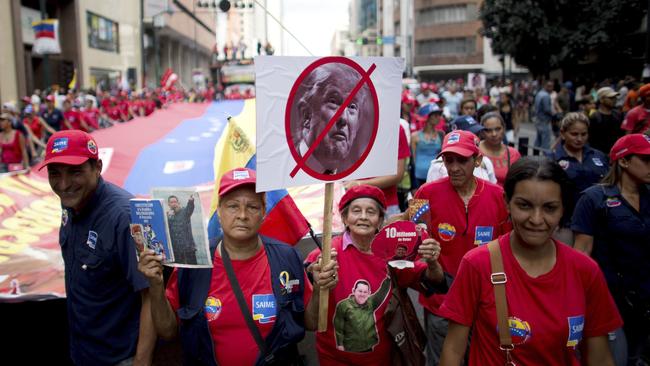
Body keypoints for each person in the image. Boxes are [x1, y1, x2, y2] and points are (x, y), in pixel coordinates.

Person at [139, 168, 338, 365]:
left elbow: (311, 323)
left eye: (252, 207)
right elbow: (167, 331)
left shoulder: (286, 257)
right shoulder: (194, 262)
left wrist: (321, 287)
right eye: (233, 206)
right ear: (219, 212)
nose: (242, 215)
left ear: (263, 212)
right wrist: (156, 285)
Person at [438, 157, 623, 366]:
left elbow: (600, 357)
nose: (536, 219)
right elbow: (453, 350)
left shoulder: (586, 271)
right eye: (524, 206)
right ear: (507, 203)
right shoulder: (478, 264)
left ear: (563, 209)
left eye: (550, 208)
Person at [39, 130, 156, 365]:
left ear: (97, 167)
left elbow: (151, 296)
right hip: (83, 350)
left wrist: (142, 362)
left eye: (75, 172)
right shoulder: (71, 204)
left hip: (121, 356)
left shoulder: (124, 217)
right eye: (55, 174)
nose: (63, 184)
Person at [305, 184, 447, 365]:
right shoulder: (324, 255)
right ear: (344, 217)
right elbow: (310, 320)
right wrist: (319, 285)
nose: (363, 217)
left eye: (371, 212)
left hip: (382, 359)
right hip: (334, 359)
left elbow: (433, 281)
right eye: (356, 211)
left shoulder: (393, 251)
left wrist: (433, 263)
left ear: (380, 220)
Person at [415, 130, 510, 363]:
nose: (455, 167)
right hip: (441, 304)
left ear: (477, 161)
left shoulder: (499, 196)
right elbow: (414, 245)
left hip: (486, 304)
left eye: (462, 160)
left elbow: (509, 251)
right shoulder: (424, 193)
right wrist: (428, 265)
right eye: (449, 160)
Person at [572, 134, 650, 366]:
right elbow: (581, 255)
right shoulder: (593, 199)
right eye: (646, 160)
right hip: (609, 300)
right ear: (624, 161)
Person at [292, 63, 369, 175]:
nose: (344, 118)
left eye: (352, 106)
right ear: (306, 114)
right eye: (333, 102)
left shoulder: (350, 177)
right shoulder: (282, 170)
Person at [427, 116, 497, 184]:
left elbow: (492, 190)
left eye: (478, 134)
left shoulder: (485, 162)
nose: (476, 138)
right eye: (471, 135)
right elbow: (430, 193)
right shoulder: (438, 166)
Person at [478, 112, 521, 186]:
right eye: (488, 130)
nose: (494, 134)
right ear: (482, 132)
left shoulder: (513, 154)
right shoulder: (475, 151)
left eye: (498, 129)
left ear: (504, 129)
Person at [411, 104, 445, 188]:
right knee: (419, 201)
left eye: (439, 115)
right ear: (427, 117)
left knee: (436, 201)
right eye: (435, 115)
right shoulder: (415, 136)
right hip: (418, 177)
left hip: (437, 175)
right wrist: (413, 185)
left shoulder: (441, 134)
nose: (439, 117)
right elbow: (412, 160)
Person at [589, 87, 624, 154]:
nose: (614, 100)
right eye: (611, 98)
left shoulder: (618, 115)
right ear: (602, 100)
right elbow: (592, 140)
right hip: (599, 153)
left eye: (615, 98)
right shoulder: (594, 117)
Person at [167, 195, 197, 264]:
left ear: (178, 203)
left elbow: (190, 208)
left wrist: (191, 201)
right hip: (176, 251)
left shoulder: (185, 212)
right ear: (169, 204)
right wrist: (168, 217)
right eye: (171, 202)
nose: (174, 204)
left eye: (175, 202)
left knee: (193, 268)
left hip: (188, 249)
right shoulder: (168, 216)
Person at [533, 81, 554, 150]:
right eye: (551, 86)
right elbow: (547, 109)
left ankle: (534, 156)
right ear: (547, 86)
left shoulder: (539, 94)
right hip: (544, 120)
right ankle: (545, 158)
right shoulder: (546, 96)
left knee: (538, 140)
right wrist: (553, 114)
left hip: (538, 119)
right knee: (545, 141)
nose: (552, 88)